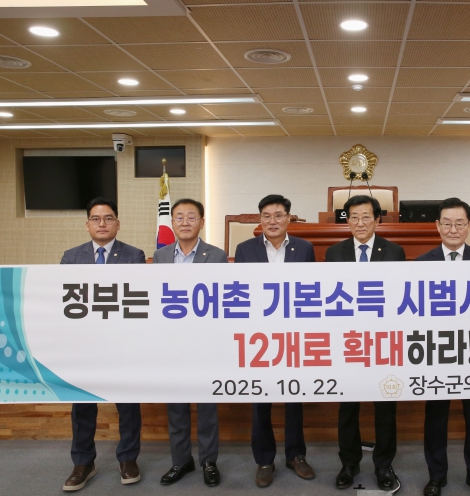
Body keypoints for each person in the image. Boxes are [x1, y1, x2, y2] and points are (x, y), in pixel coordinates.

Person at [60, 197, 145, 492]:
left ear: (117, 224)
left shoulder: (134, 256)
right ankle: (83, 462)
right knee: (83, 406)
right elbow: (64, 300)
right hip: (84, 345)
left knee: (128, 405)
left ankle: (128, 459)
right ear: (87, 225)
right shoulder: (71, 257)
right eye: (96, 219)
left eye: (108, 218)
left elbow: (138, 298)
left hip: (122, 343)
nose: (102, 224)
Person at [234, 194, 317, 488]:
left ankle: (296, 455)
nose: (272, 221)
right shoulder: (245, 249)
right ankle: (264, 460)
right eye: (267, 216)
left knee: (294, 397)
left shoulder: (304, 248)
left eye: (278, 215)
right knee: (261, 400)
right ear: (260, 219)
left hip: (294, 335)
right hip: (258, 337)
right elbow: (239, 292)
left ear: (288, 218)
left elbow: (312, 291)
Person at [325, 195, 406, 492]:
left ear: (377, 219)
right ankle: (349, 463)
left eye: (366, 217)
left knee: (385, 405)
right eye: (354, 217)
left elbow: (400, 296)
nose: (360, 223)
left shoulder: (394, 252)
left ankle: (384, 464)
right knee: (348, 406)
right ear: (347, 221)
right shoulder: (334, 253)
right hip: (348, 341)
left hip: (383, 341)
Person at [416, 198, 470, 496]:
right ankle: (436, 476)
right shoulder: (422, 263)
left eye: (459, 223)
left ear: (469, 226)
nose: (453, 229)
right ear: (437, 226)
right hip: (438, 351)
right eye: (447, 223)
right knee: (436, 417)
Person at [153, 198, 227, 488]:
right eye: (179, 217)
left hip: (205, 342)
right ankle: (181, 460)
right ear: (172, 222)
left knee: (207, 406)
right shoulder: (160, 256)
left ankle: (209, 461)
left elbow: (221, 299)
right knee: (176, 406)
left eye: (191, 217)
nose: (185, 222)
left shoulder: (216, 256)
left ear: (202, 222)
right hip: (171, 343)